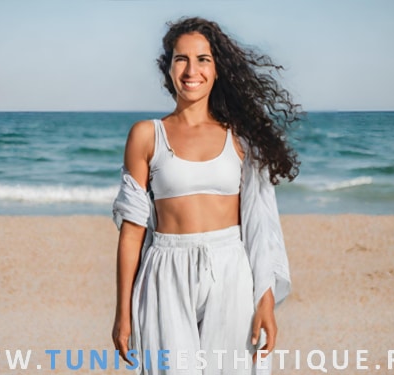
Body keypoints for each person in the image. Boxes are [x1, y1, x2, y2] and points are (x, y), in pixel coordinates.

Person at [111, 17, 301, 375]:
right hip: (165, 270)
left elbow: (260, 226)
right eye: (181, 59)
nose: (191, 70)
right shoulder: (146, 135)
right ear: (167, 68)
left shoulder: (242, 139)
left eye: (203, 59)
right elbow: (132, 230)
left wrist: (266, 300)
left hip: (230, 267)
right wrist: (122, 312)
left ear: (217, 70)